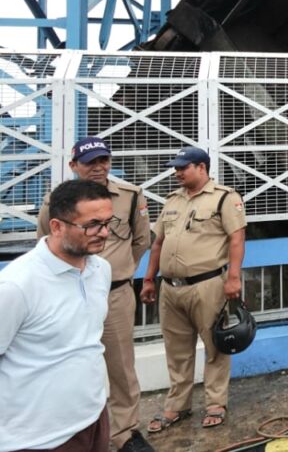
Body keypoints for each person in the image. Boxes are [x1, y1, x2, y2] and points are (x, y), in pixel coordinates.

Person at [36, 137, 154, 452]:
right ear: (74, 166)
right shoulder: (58, 201)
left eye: (104, 161)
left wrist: (118, 269)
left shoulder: (130, 196)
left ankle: (125, 434)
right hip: (69, 295)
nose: (99, 168)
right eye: (91, 162)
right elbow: (46, 240)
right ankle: (72, 432)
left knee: (121, 367)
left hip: (115, 295)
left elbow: (141, 241)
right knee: (68, 363)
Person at [1, 180, 115, 452]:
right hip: (37, 439)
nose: (104, 233)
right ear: (56, 226)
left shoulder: (100, 270)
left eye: (109, 222)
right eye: (92, 224)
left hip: (94, 419)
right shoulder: (16, 286)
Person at [141, 147, 247, 432]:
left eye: (182, 167)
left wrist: (233, 278)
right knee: (176, 351)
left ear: (201, 168)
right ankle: (177, 406)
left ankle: (215, 403)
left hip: (208, 284)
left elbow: (236, 238)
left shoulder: (224, 197)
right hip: (171, 288)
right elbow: (158, 243)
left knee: (215, 347)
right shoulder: (172, 201)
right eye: (175, 167)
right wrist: (149, 278)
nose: (177, 172)